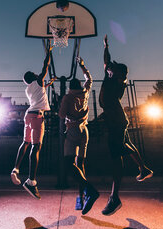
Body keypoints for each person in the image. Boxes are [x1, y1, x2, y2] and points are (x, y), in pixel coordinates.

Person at [99, 35, 153, 215]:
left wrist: (106, 47)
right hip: (118, 121)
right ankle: (143, 168)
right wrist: (106, 46)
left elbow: (106, 63)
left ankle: (114, 198)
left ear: (119, 73)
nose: (109, 69)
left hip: (116, 122)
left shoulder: (114, 81)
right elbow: (108, 64)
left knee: (116, 157)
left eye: (112, 69)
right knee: (127, 145)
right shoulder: (116, 81)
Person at [11, 45, 55, 199]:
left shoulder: (29, 88)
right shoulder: (38, 81)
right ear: (35, 77)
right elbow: (45, 66)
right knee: (36, 147)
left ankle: (15, 169)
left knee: (25, 143)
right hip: (37, 117)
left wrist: (49, 84)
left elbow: (40, 90)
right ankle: (31, 181)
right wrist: (49, 52)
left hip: (28, 115)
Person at [58, 57, 99, 215]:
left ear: (69, 87)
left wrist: (63, 108)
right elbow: (89, 78)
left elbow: (62, 115)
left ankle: (89, 191)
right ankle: (81, 197)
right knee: (80, 166)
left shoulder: (68, 98)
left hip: (73, 130)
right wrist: (82, 65)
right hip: (84, 131)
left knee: (69, 164)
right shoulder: (85, 92)